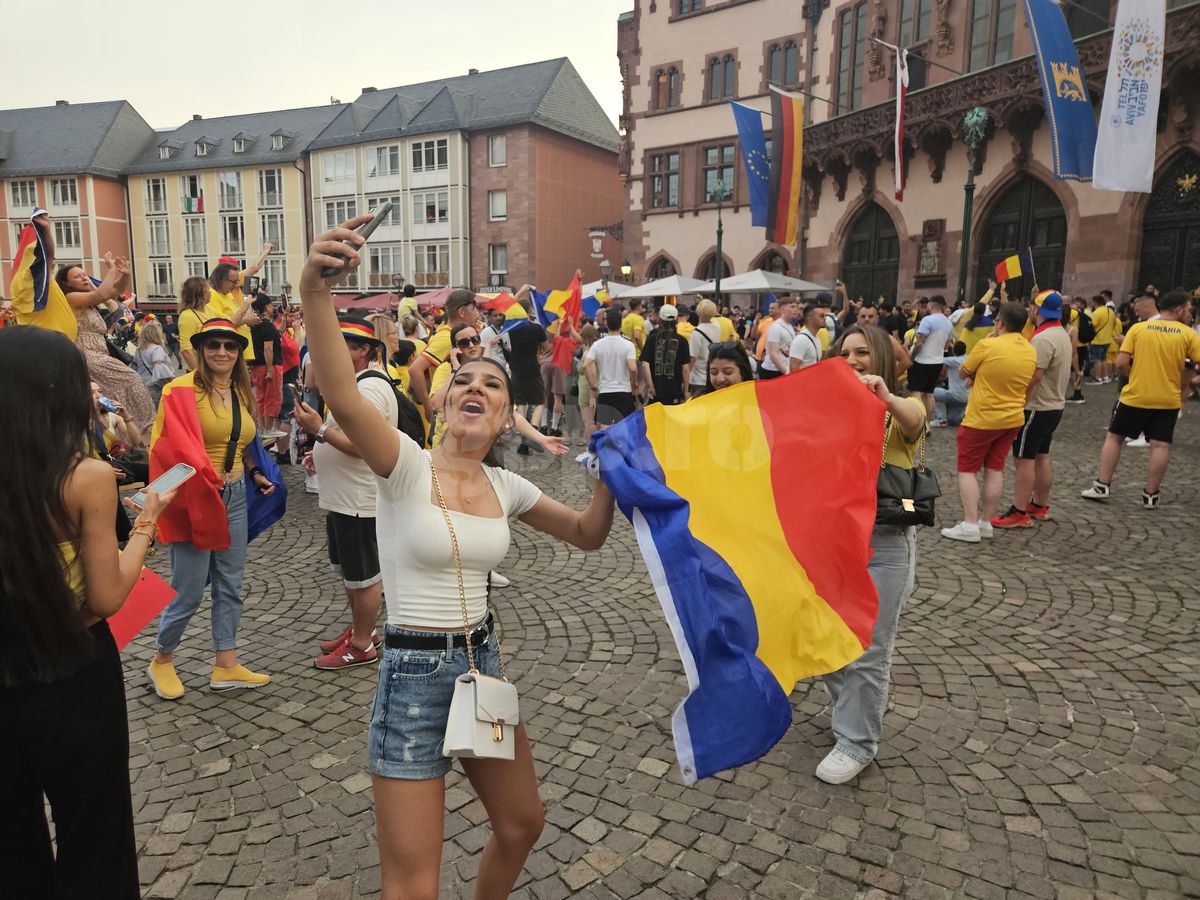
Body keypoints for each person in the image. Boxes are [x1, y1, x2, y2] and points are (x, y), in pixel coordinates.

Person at [298, 216, 617, 900]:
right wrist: (314, 293)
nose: (477, 387)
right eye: (463, 379)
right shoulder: (405, 466)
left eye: (493, 386)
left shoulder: (510, 486)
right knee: (412, 883)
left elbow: (589, 534)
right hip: (412, 674)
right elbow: (343, 396)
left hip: (482, 667)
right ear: (441, 401)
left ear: (506, 418)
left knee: (522, 823)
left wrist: (618, 477)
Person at [0, 326, 176, 896]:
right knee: (93, 823)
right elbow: (105, 597)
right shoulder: (85, 477)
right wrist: (147, 519)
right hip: (72, 665)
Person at [146, 318, 280, 700]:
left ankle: (226, 664)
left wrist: (254, 473)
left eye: (230, 346)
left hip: (235, 494)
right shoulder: (179, 390)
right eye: (213, 345)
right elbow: (163, 450)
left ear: (239, 353)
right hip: (194, 497)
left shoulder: (241, 389)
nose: (222, 352)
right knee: (188, 590)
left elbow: (241, 442)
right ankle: (161, 659)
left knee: (230, 584)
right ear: (201, 349)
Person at [816, 324, 925, 784]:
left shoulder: (900, 408)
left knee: (868, 649)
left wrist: (883, 395)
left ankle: (857, 741)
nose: (854, 359)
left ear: (880, 357)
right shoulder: (834, 410)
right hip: (837, 541)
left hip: (884, 544)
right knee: (825, 638)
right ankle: (854, 708)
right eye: (846, 353)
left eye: (863, 352)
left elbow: (915, 421)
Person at [294, 318, 397, 669]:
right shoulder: (355, 384)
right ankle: (359, 630)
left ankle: (363, 644)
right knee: (352, 572)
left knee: (365, 576)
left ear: (363, 350)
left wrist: (318, 430)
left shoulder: (368, 389)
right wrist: (320, 452)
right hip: (346, 498)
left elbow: (364, 444)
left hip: (359, 501)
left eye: (341, 347)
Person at [1081, 289, 1200, 508]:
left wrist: (1133, 375)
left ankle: (1102, 485)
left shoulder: (1138, 328)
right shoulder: (1187, 334)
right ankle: (1151, 496)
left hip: (1135, 396)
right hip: (1168, 399)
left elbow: (1120, 363)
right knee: (1160, 446)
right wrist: (1193, 381)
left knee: (1114, 437)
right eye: (1189, 309)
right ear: (1180, 309)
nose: (1190, 313)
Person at [941, 302, 1037, 542]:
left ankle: (970, 524)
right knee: (995, 468)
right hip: (1012, 417)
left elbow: (962, 372)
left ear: (1000, 323)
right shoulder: (1029, 349)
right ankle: (985, 522)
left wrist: (987, 350)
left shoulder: (987, 345)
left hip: (981, 418)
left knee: (967, 470)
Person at [991, 292, 1073, 527]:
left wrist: (1018, 402)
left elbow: (1033, 377)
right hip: (1053, 405)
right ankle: (1038, 504)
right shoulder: (1061, 333)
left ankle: (1019, 511)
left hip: (1037, 406)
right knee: (1041, 455)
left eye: (1033, 306)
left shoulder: (1043, 339)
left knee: (1024, 458)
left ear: (1037, 310)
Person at [410, 291, 480, 423]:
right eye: (473, 307)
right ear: (462, 312)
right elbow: (415, 370)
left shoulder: (447, 332)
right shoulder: (446, 337)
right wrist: (428, 407)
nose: (476, 312)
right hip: (444, 410)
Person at [585, 308, 639, 425]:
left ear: (606, 324)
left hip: (605, 390)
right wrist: (634, 383)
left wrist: (592, 384)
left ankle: (607, 444)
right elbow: (633, 368)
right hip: (624, 391)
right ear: (621, 324)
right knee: (624, 427)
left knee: (605, 426)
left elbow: (586, 365)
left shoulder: (598, 344)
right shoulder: (628, 345)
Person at [907, 296, 953, 419]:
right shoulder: (949, 323)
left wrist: (911, 358)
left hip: (922, 361)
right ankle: (927, 424)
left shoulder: (927, 320)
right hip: (937, 361)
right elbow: (947, 345)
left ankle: (917, 421)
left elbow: (920, 342)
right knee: (929, 393)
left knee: (916, 391)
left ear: (931, 305)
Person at [248, 294, 286, 440]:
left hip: (258, 366)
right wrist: (270, 370)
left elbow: (278, 334)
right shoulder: (266, 325)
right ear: (266, 307)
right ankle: (268, 428)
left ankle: (262, 429)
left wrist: (284, 319)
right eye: (271, 305)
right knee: (273, 397)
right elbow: (268, 349)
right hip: (270, 365)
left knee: (261, 397)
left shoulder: (257, 324)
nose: (273, 307)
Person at [640, 304, 691, 405]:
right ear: (676, 320)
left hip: (656, 392)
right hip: (675, 392)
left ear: (660, 319)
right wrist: (686, 390)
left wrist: (650, 386)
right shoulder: (682, 341)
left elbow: (645, 364)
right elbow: (685, 368)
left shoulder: (651, 339)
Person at [134, 319, 176, 408]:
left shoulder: (139, 350)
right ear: (156, 334)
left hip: (141, 385)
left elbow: (135, 367)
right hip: (155, 387)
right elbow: (161, 372)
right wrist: (172, 383)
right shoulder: (156, 349)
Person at [689, 299, 724, 397]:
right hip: (712, 375)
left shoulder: (697, 332)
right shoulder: (717, 326)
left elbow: (693, 358)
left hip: (698, 378)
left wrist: (686, 376)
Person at [932, 341, 970, 427]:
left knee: (930, 393)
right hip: (966, 397)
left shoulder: (953, 361)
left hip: (955, 395)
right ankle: (964, 417)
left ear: (954, 351)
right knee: (953, 421)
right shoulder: (969, 359)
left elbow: (937, 359)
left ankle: (939, 419)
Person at [760, 296, 797, 379]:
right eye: (792, 307)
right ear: (783, 309)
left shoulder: (789, 325)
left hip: (784, 368)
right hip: (773, 371)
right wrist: (786, 372)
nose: (795, 310)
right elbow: (773, 354)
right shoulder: (776, 327)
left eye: (796, 307)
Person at [576, 323, 600, 440]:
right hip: (587, 388)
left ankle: (591, 448)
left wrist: (592, 395)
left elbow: (592, 374)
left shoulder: (588, 353)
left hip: (587, 390)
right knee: (589, 421)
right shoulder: (592, 351)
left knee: (588, 422)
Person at [789, 301, 827, 372]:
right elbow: (793, 368)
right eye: (821, 316)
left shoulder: (817, 339)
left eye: (825, 316)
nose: (825, 318)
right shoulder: (801, 340)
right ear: (810, 319)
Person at [1087, 294, 1117, 384]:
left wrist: (1088, 323)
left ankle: (1098, 378)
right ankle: (1105, 377)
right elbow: (1114, 323)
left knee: (1096, 360)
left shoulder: (1097, 312)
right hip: (1108, 339)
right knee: (1103, 359)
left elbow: (1093, 324)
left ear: (1095, 302)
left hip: (1097, 339)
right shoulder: (1110, 311)